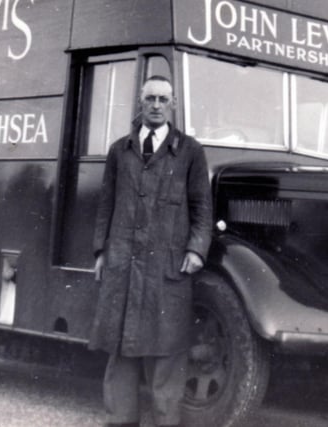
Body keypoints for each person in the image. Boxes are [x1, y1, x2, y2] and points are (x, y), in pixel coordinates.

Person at [90, 75, 213, 427]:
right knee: (121, 348)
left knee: (166, 353)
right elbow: (106, 205)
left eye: (163, 99)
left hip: (168, 268)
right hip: (123, 266)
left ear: (173, 104)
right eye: (150, 99)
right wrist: (101, 251)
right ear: (140, 104)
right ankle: (121, 421)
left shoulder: (190, 151)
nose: (156, 105)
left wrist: (197, 250)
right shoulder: (120, 150)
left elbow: (202, 207)